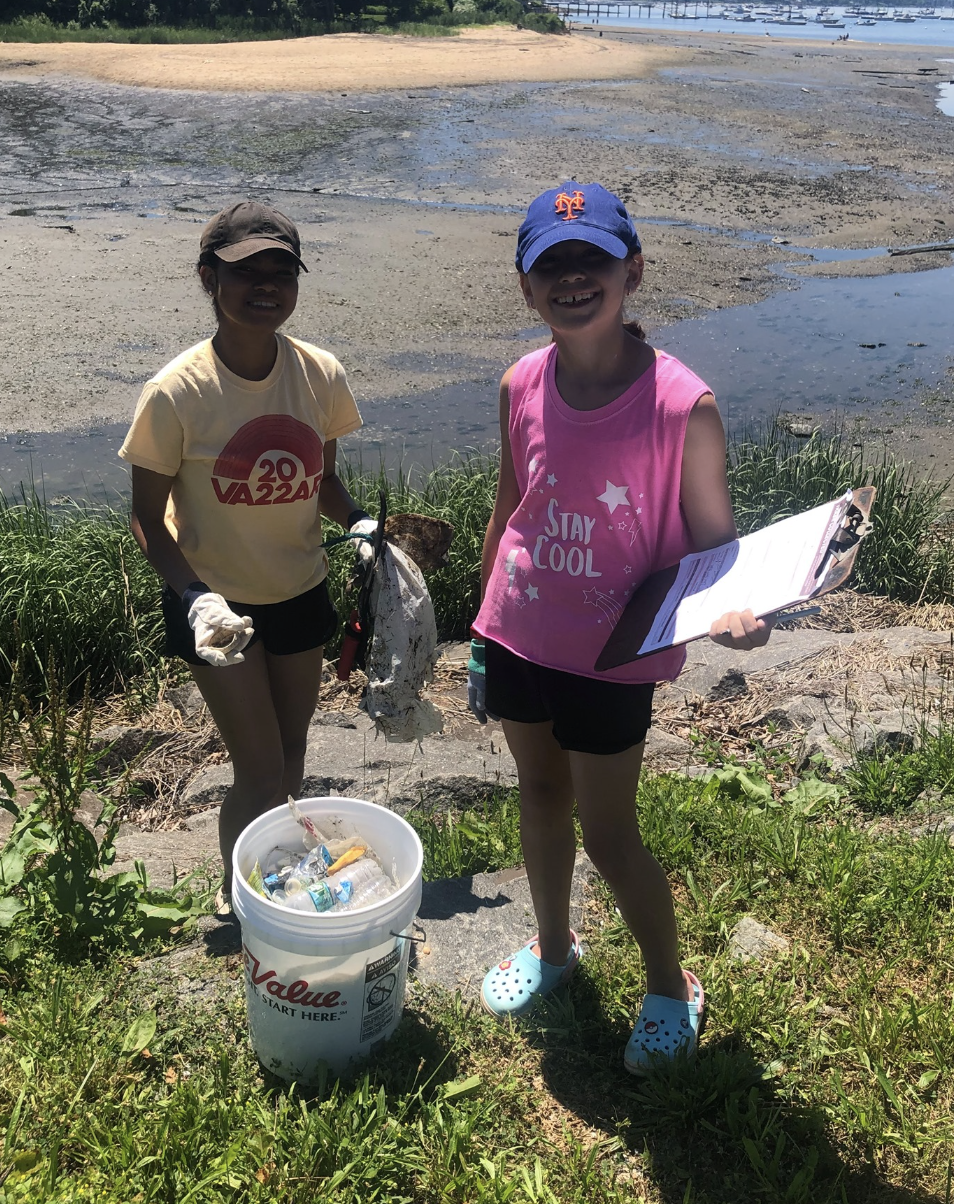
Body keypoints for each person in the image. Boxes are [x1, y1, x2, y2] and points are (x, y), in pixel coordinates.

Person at [469, 181, 772, 1073]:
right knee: (538, 796)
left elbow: (719, 553)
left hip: (612, 655)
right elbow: (508, 508)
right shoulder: (519, 381)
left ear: (632, 271)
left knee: (609, 832)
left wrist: (735, 615)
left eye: (591, 260)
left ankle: (671, 986)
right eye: (549, 266)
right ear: (526, 288)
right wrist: (478, 628)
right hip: (517, 634)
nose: (572, 279)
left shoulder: (684, 406)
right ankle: (556, 950)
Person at [120, 201, 376, 912]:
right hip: (217, 608)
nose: (266, 286)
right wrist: (194, 597)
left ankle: (278, 880)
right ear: (209, 279)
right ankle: (246, 905)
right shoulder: (176, 392)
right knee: (260, 775)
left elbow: (322, 481)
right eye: (246, 273)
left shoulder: (319, 374)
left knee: (289, 762)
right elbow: (146, 517)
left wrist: (359, 522)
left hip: (300, 591)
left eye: (281, 272)